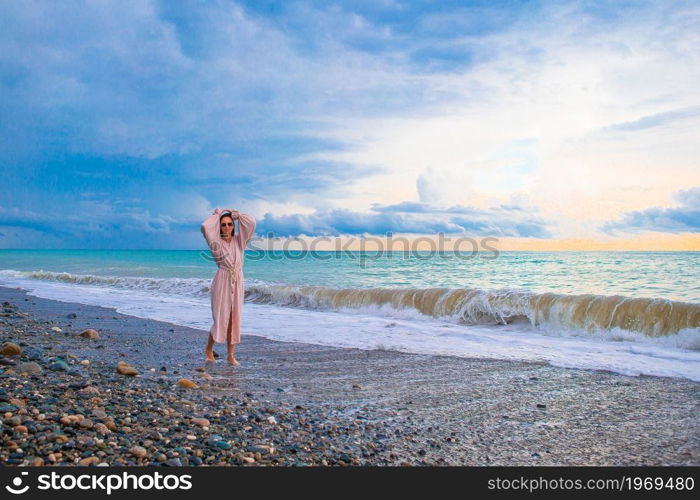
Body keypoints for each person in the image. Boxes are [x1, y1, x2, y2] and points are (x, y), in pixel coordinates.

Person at [200, 208, 256, 365]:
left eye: (230, 224)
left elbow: (251, 222)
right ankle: (209, 349)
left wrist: (235, 214)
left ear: (234, 226)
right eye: (223, 225)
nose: (227, 227)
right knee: (220, 318)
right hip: (222, 280)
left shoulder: (240, 241)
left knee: (234, 318)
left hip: (238, 280)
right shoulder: (215, 243)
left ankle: (231, 355)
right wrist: (217, 215)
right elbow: (205, 226)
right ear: (219, 226)